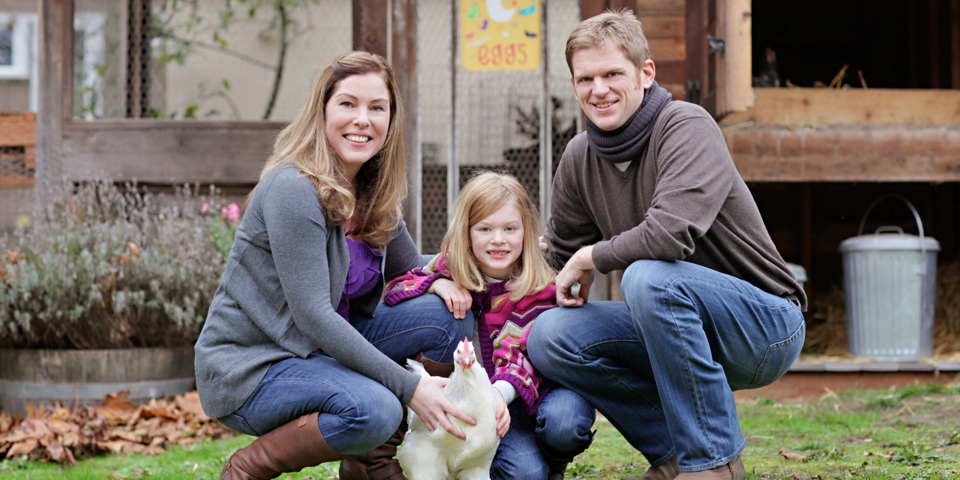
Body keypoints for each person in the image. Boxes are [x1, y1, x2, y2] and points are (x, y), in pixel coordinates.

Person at [526, 10, 807, 480]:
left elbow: (669, 235)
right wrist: (465, 277)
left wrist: (591, 256)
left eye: (613, 73)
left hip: (764, 326)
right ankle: (675, 454)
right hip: (668, 323)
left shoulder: (687, 126)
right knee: (552, 336)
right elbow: (556, 259)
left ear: (646, 72)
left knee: (649, 275)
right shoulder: (579, 157)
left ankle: (711, 465)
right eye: (586, 78)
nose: (599, 90)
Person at [195, 51, 476, 480]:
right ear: (322, 111)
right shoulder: (294, 188)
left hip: (319, 353)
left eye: (376, 108)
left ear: (390, 119)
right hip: (255, 365)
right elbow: (313, 316)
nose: (362, 119)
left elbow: (407, 269)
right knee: (376, 409)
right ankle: (245, 469)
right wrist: (410, 388)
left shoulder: (371, 189)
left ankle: (371, 467)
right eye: (348, 104)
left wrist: (459, 270)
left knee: (447, 316)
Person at [384, 171, 596, 480]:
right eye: (485, 229)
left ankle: (555, 459)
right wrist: (437, 285)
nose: (498, 239)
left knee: (563, 425)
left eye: (510, 228)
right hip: (491, 408)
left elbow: (518, 350)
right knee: (525, 474)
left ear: (526, 231)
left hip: (538, 393)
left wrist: (496, 396)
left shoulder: (537, 285)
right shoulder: (451, 267)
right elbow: (398, 287)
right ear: (467, 233)